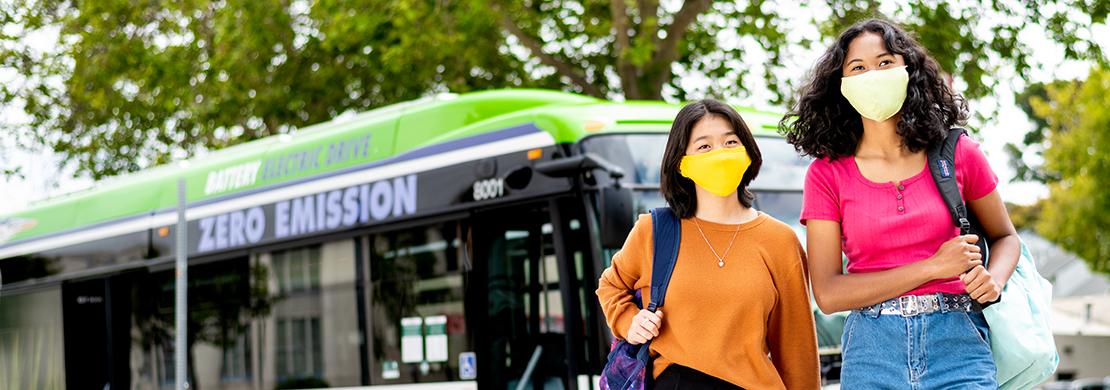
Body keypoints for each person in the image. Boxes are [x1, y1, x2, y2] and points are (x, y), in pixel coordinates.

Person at [781, 18, 1022, 389]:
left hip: (958, 349)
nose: (872, 74)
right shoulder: (826, 175)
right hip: (872, 353)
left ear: (908, 70)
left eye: (885, 62)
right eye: (857, 68)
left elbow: (1006, 237)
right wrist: (933, 267)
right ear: (841, 86)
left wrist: (995, 279)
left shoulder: (957, 153)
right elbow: (828, 294)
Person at [597, 99, 819, 390]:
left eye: (730, 142)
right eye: (704, 146)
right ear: (682, 164)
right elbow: (611, 286)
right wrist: (630, 322)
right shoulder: (654, 231)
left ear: (748, 152)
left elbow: (796, 348)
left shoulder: (780, 240)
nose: (721, 154)